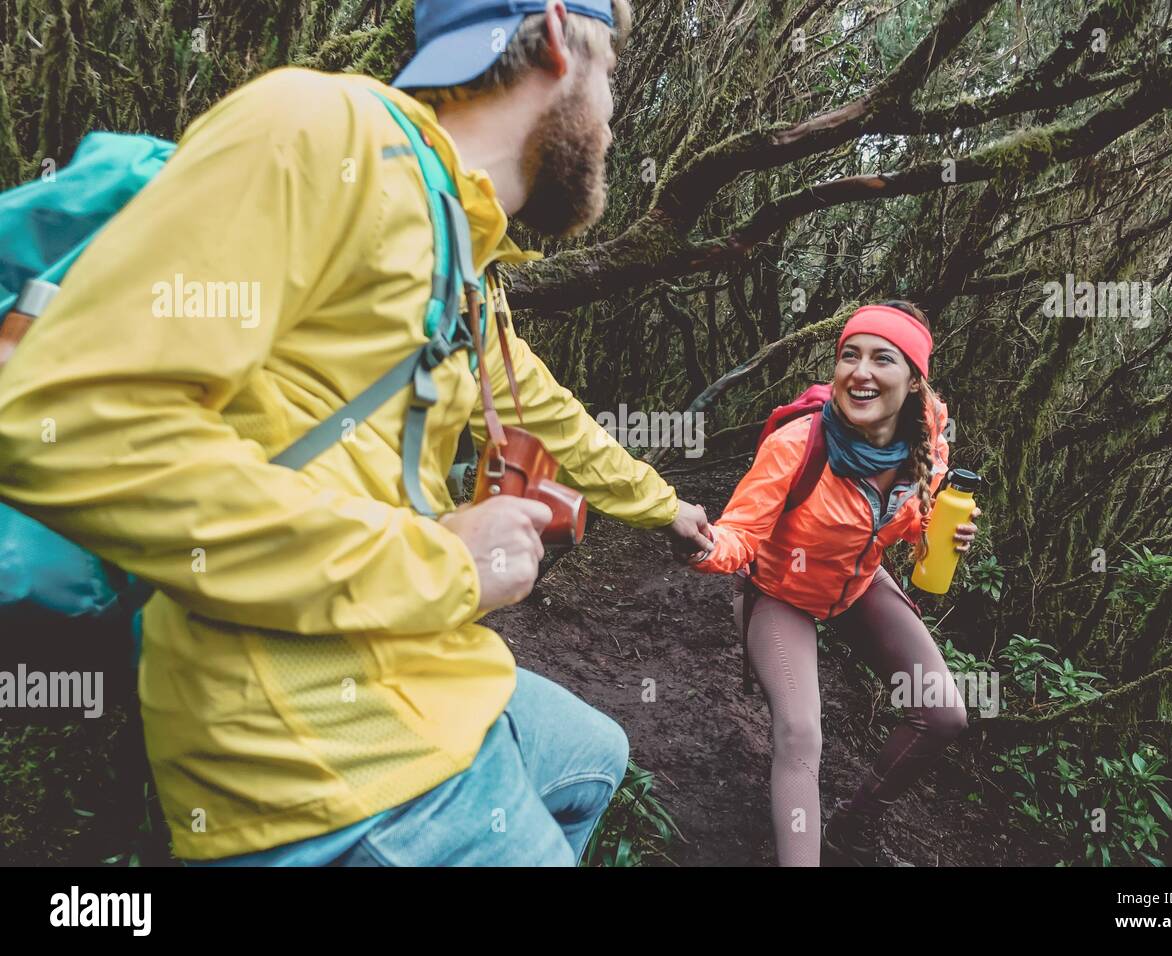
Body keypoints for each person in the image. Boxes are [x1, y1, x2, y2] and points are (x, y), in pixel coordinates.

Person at [0, 0, 713, 866]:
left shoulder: (458, 248)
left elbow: (544, 409)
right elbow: (68, 423)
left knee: (592, 758)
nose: (610, 113)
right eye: (613, 73)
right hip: (317, 749)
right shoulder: (325, 129)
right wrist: (446, 562)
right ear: (559, 35)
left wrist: (664, 505)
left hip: (413, 667)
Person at [686, 301, 981, 866]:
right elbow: (740, 535)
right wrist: (700, 544)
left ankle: (851, 826)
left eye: (882, 358)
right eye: (850, 355)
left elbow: (915, 523)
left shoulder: (928, 441)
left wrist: (939, 533)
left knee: (943, 712)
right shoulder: (799, 444)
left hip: (857, 584)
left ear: (914, 380)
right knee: (800, 735)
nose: (860, 371)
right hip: (780, 592)